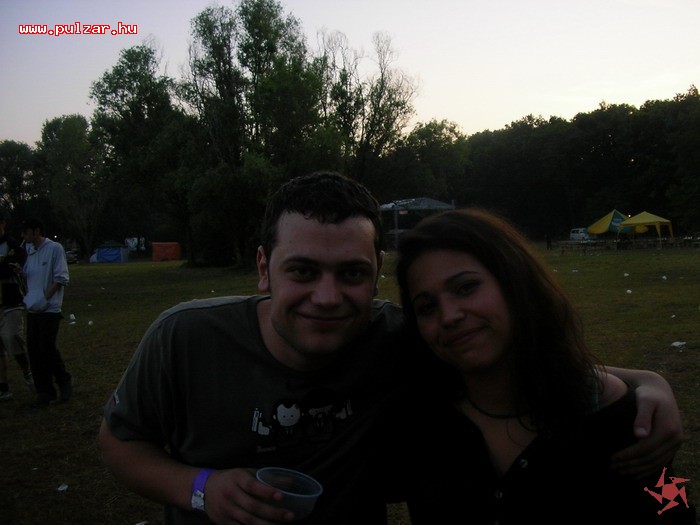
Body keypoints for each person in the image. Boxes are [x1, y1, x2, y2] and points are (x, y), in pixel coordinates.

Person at [99, 172, 685, 525]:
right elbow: (119, 441)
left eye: (351, 273)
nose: (327, 297)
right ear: (263, 268)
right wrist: (201, 489)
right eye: (302, 270)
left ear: (375, 272)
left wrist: (642, 385)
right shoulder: (184, 337)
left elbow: (674, 509)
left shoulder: (403, 344)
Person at [393, 208, 696, 523]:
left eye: (466, 287)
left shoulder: (618, 414)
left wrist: (646, 382)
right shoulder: (420, 423)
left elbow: (674, 510)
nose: (448, 316)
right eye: (426, 307)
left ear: (514, 282)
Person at [21, 218, 72, 407]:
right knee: (33, 350)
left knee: (46, 347)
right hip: (33, 309)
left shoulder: (54, 249)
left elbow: (60, 277)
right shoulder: (30, 251)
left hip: (49, 309)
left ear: (36, 231)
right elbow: (31, 276)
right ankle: (44, 391)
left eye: (27, 232)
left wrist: (46, 298)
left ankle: (63, 380)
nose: (24, 236)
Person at [0, 212, 34, 401]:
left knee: (13, 338)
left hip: (10, 302)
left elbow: (11, 268)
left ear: (3, 224)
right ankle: (3, 387)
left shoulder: (12, 245)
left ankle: (28, 372)